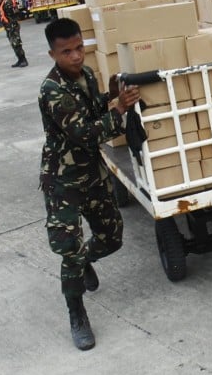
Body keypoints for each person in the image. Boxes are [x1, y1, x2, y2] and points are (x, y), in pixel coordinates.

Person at [38, 18, 140, 350]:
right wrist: (120, 110)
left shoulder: (88, 74)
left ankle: (85, 261)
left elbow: (92, 108)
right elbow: (83, 133)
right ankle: (77, 314)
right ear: (53, 53)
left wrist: (109, 97)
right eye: (67, 51)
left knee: (112, 238)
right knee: (69, 252)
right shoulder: (51, 90)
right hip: (63, 181)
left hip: (92, 174)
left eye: (80, 47)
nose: (77, 56)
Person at [0, 0, 28, 67]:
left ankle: (23, 60)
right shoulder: (1, 3)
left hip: (12, 26)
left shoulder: (7, 2)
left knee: (16, 43)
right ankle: (19, 60)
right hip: (8, 27)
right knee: (13, 44)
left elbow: (13, 14)